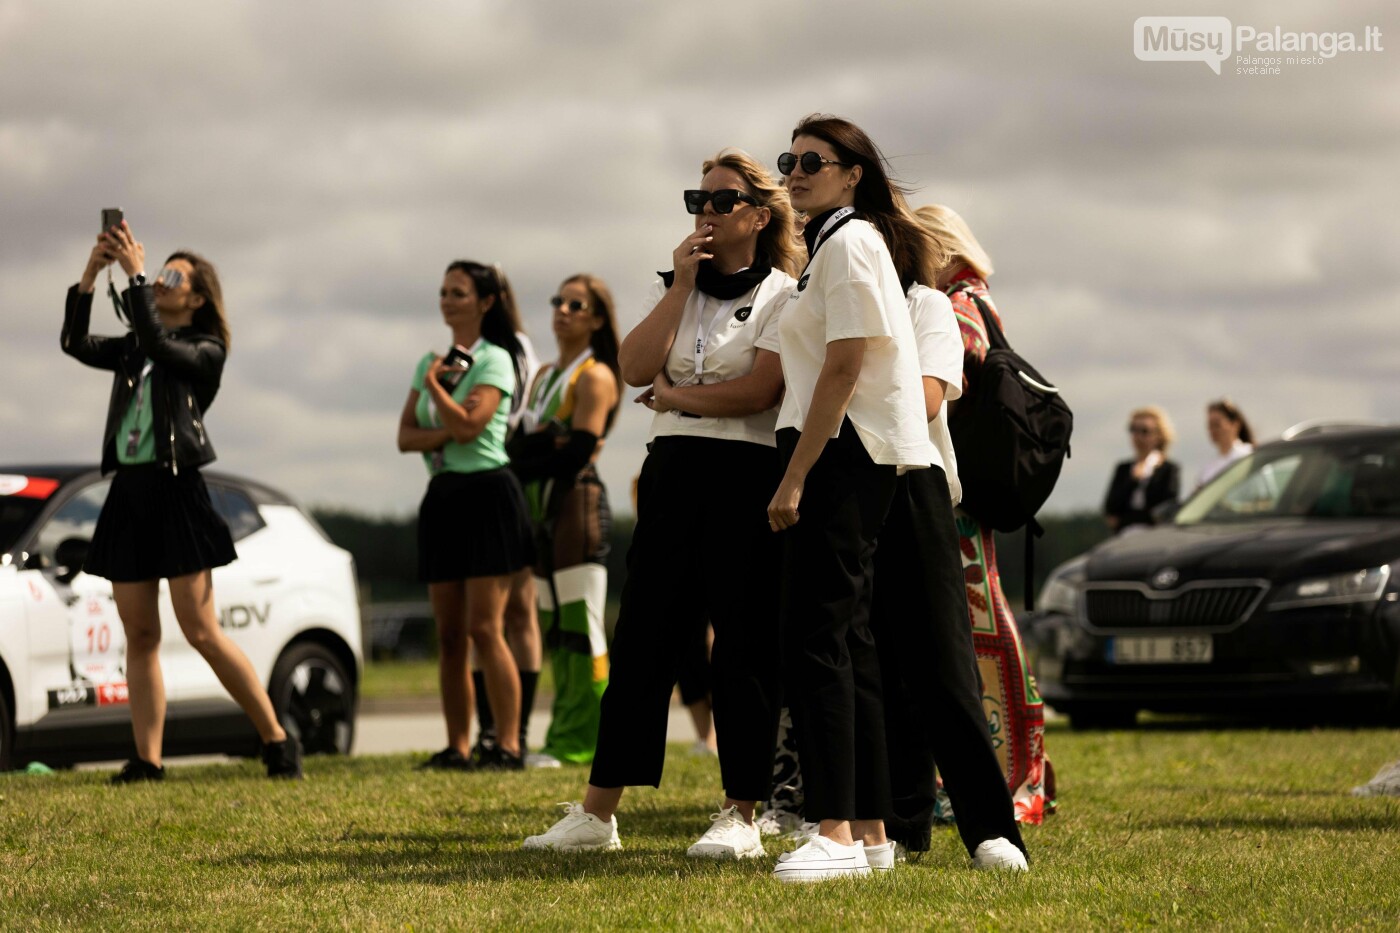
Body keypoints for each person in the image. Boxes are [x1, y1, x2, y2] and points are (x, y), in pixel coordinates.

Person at [522, 147, 801, 858]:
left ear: (759, 215)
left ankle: (740, 813)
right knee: (644, 636)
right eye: (697, 200)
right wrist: (680, 284)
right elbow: (635, 366)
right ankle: (597, 814)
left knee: (740, 648)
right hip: (672, 470)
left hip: (745, 472)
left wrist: (679, 398)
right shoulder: (676, 285)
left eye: (722, 200)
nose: (705, 212)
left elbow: (761, 391)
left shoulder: (782, 293)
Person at [61, 222, 302, 783]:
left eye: (173, 277)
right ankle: (147, 760)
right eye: (159, 275)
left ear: (197, 298)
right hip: (131, 492)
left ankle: (277, 738)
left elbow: (159, 344)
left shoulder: (204, 350)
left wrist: (138, 276)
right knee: (140, 634)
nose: (162, 283)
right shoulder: (136, 350)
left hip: (178, 490)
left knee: (199, 629)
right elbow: (75, 342)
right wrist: (93, 274)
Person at [764, 114, 937, 882]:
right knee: (849, 644)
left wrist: (796, 474)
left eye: (813, 160)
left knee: (817, 641)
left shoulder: (851, 241)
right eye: (789, 160)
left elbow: (844, 366)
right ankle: (868, 831)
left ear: (851, 172)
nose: (796, 171)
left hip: (842, 455)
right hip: (842, 453)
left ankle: (831, 827)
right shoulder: (831, 244)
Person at [868, 248, 1029, 867]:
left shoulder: (926, 305)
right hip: (843, 488)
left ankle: (991, 828)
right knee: (874, 669)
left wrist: (842, 375)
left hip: (915, 483)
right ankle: (897, 826)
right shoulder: (817, 303)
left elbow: (930, 398)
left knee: (942, 665)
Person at [925, 202, 1055, 823]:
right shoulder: (981, 300)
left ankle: (998, 776)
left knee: (971, 629)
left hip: (958, 492)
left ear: (943, 250)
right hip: (979, 492)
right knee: (982, 624)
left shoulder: (958, 306)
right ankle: (1014, 768)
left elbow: (953, 379)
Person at [397, 260, 534, 771]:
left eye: (458, 292)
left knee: (485, 628)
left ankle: (508, 744)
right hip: (444, 496)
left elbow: (472, 429)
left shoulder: (495, 359)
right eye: (443, 292)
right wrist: (444, 421)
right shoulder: (429, 361)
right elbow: (405, 437)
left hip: (489, 495)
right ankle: (457, 745)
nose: (448, 300)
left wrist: (436, 390)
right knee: (450, 634)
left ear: (484, 302)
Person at [507, 274, 621, 767]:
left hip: (576, 507)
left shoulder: (595, 375)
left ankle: (588, 740)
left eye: (576, 304)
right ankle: (564, 735)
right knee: (554, 628)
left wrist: (541, 446)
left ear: (596, 318)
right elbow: (516, 449)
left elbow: (574, 453)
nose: (563, 310)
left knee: (581, 628)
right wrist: (541, 445)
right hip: (538, 511)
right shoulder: (543, 374)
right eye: (558, 301)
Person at [1104, 405, 1181, 533]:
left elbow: (1165, 510)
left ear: (1159, 435)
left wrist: (1125, 519)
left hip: (1154, 537)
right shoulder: (1123, 469)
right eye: (1133, 430)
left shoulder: (1168, 470)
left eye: (1144, 431)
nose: (1137, 436)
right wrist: (1133, 481)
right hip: (1124, 537)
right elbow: (1110, 509)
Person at [1196, 398, 1255, 490]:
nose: (1212, 430)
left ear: (1235, 424)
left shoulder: (1247, 456)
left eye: (1217, 424)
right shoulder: (1209, 467)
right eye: (1210, 426)